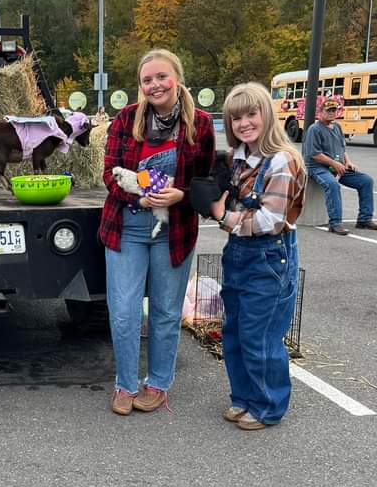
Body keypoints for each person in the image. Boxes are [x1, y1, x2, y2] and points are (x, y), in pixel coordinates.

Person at [99, 48, 215, 415]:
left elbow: (209, 180)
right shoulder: (126, 120)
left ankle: (159, 383)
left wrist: (181, 194)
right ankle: (125, 384)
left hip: (174, 229)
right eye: (147, 80)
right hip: (127, 227)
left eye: (161, 77)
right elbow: (108, 172)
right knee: (124, 311)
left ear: (177, 79)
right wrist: (136, 191)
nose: (155, 85)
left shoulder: (201, 124)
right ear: (140, 86)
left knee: (165, 312)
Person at [210, 82, 306, 431]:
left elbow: (271, 220)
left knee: (259, 334)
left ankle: (267, 406)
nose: (244, 123)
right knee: (233, 330)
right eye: (236, 118)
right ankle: (243, 397)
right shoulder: (239, 160)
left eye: (252, 114)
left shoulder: (282, 161)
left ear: (267, 115)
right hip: (238, 254)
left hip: (269, 257)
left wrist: (225, 217)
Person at [302, 98, 377, 235]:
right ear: (320, 112)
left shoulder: (337, 127)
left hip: (338, 166)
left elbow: (342, 148)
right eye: (328, 110)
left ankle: (364, 219)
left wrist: (348, 162)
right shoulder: (314, 129)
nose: (331, 113)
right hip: (318, 168)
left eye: (333, 110)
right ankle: (335, 223)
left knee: (366, 181)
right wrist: (334, 163)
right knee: (333, 185)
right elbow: (314, 154)